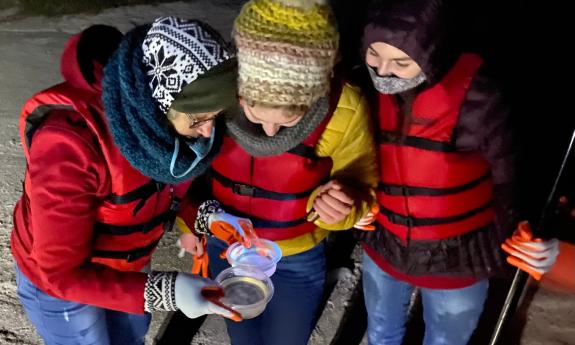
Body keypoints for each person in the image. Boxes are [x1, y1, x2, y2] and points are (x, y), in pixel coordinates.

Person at [11, 17, 239, 344]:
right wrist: (167, 291)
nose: (208, 131)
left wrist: (211, 217)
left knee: (131, 335)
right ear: (158, 104)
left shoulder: (169, 131)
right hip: (64, 282)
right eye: (199, 118)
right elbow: (58, 274)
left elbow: (167, 193)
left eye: (216, 117)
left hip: (127, 262)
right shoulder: (69, 145)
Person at [178, 1, 377, 344]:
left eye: (288, 121)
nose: (270, 133)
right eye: (254, 112)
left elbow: (364, 187)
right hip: (227, 250)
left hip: (296, 260)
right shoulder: (218, 95)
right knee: (241, 332)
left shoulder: (345, 109)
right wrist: (187, 224)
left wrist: (345, 205)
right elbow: (192, 171)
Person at [356, 0, 521, 344]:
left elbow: (510, 183)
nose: (383, 72)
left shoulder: (480, 101)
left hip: (457, 260)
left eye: (401, 62)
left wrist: (513, 239)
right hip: (385, 247)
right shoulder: (366, 91)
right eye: (374, 54)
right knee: (381, 334)